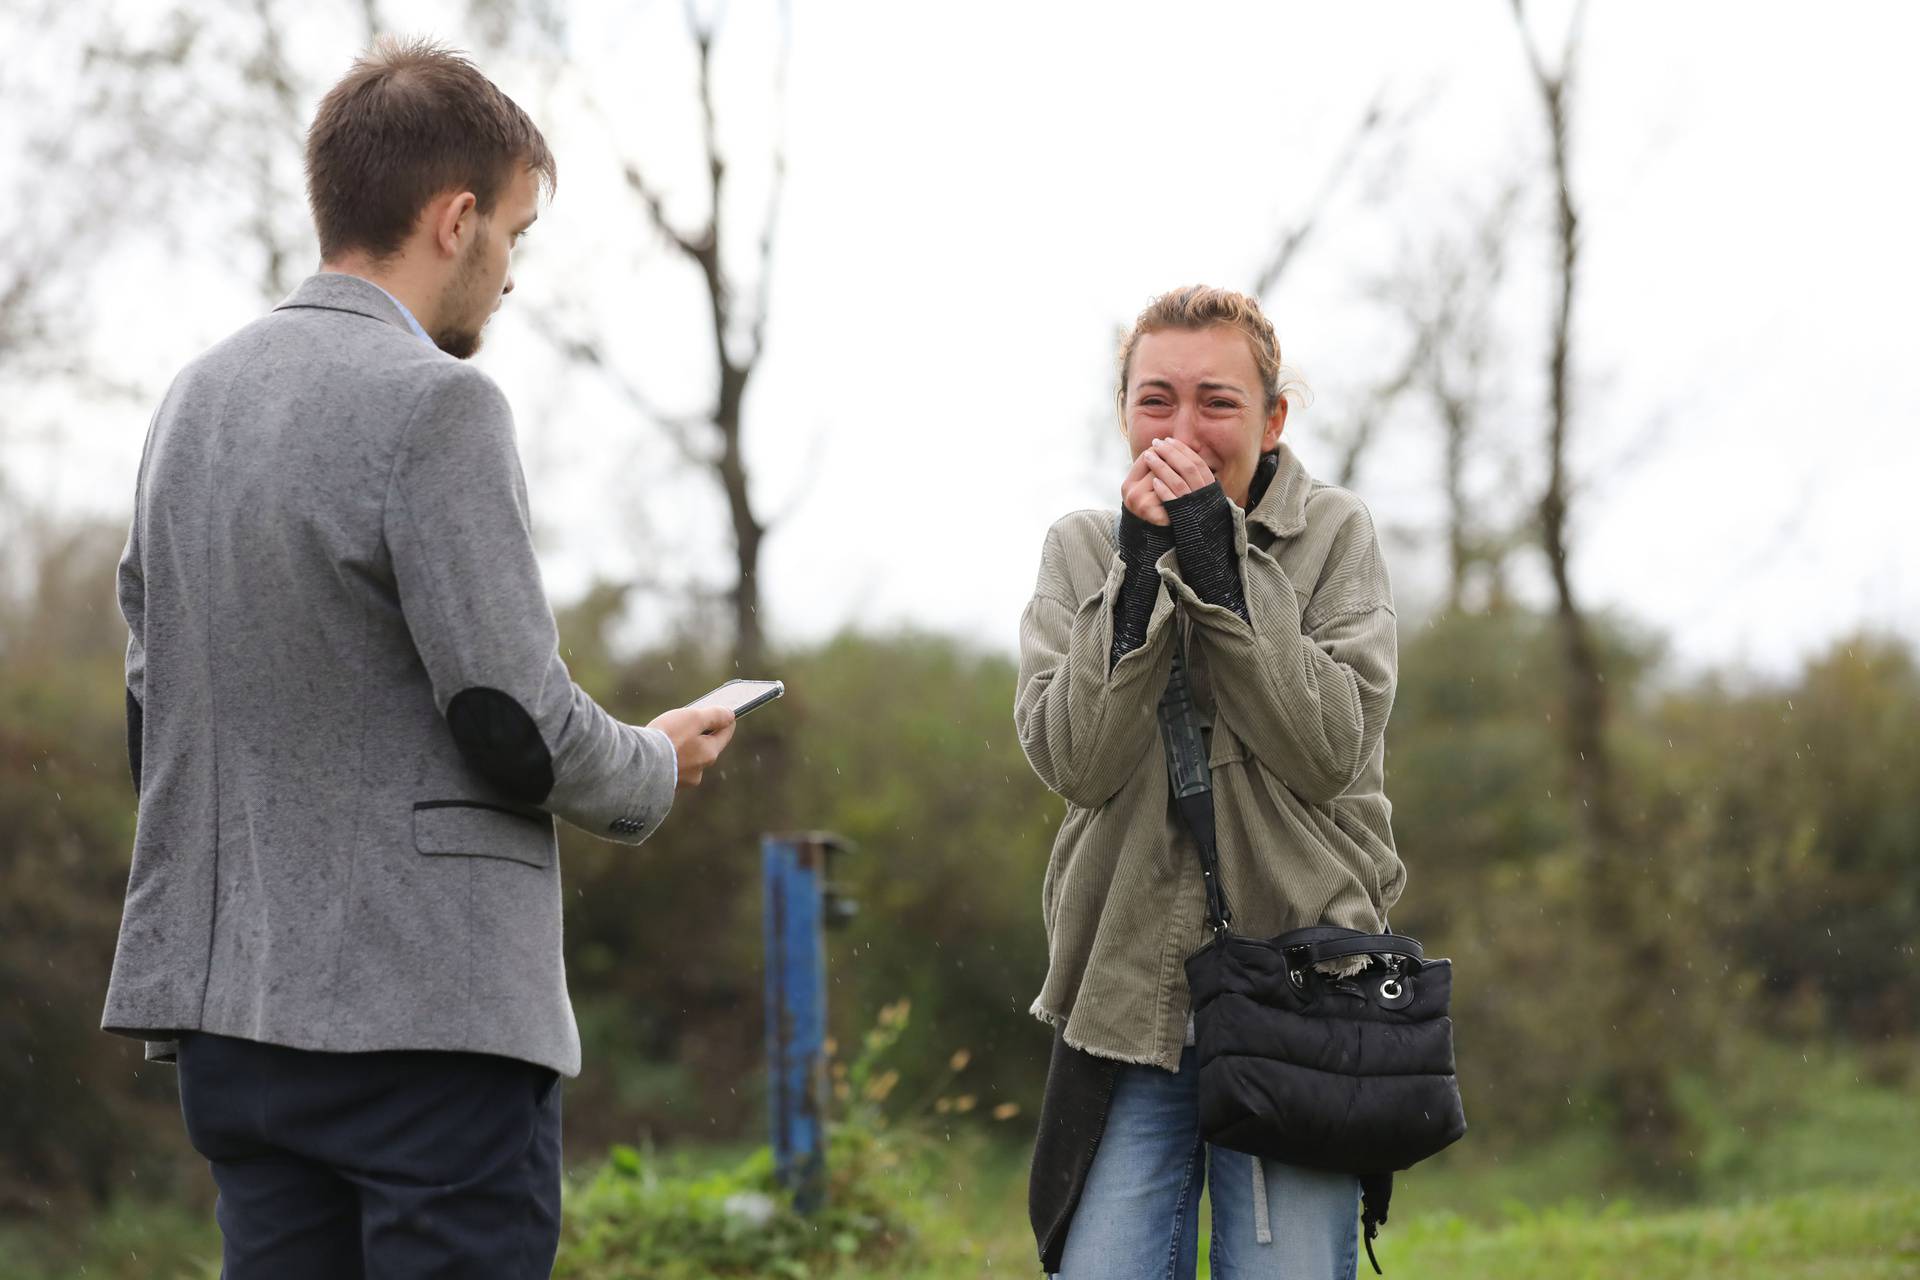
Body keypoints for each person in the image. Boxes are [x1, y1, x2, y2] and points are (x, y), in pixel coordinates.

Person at [100, 38, 736, 1279]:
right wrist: (655, 760)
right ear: (455, 221)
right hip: (425, 1030)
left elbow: (151, 702)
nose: (510, 273)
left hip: (235, 1021)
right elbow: (509, 714)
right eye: (515, 232)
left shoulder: (194, 401)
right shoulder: (438, 403)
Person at [1017, 286, 1403, 1279]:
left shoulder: (1337, 538)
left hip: (1299, 994)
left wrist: (1220, 563)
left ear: (1272, 418)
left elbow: (1327, 745)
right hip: (1123, 1001)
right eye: (1156, 399)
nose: (1183, 429)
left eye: (1217, 401)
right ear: (1125, 412)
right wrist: (1140, 570)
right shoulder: (1079, 550)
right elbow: (1076, 760)